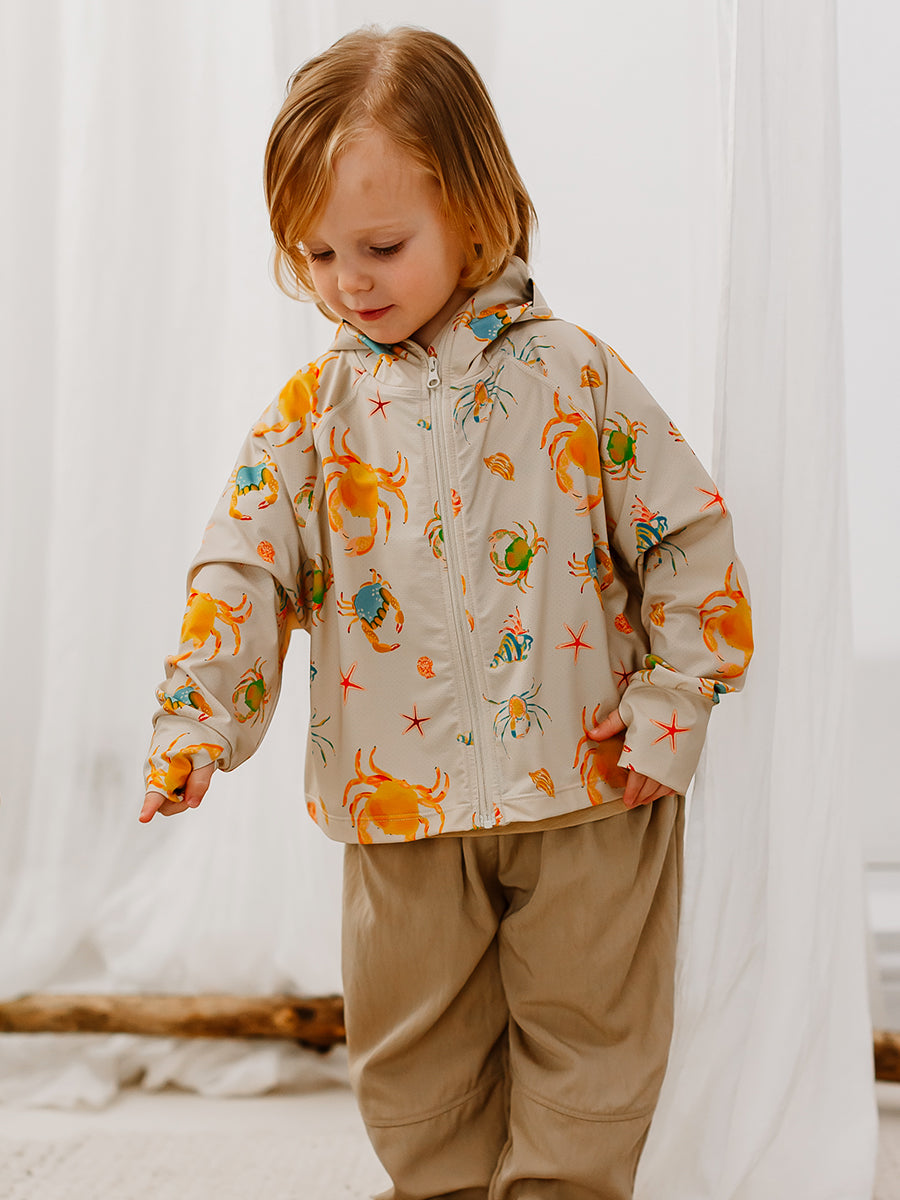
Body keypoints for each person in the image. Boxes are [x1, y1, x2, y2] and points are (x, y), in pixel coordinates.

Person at [141, 25, 753, 1200]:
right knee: (411, 1056)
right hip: (395, 798)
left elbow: (686, 534)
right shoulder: (311, 417)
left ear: (475, 213)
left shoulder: (573, 373)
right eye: (317, 252)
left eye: (380, 246)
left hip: (590, 783)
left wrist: (676, 700)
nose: (348, 281)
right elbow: (242, 570)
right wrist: (196, 720)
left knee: (596, 1041)